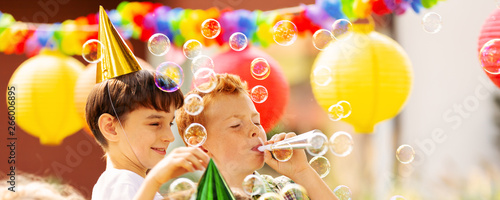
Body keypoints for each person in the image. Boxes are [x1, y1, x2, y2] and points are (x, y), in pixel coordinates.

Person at [87, 7, 208, 200]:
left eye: (169, 124)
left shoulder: (133, 182)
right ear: (110, 127)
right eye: (154, 123)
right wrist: (156, 180)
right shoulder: (122, 181)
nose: (169, 136)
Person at [176, 74, 338, 200]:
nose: (255, 130)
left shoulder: (284, 191)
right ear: (202, 146)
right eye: (236, 125)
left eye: (256, 121)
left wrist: (302, 171)